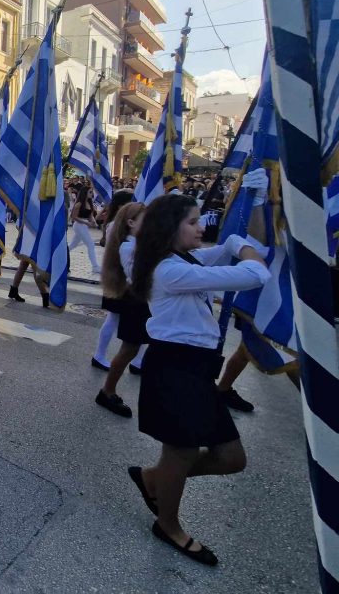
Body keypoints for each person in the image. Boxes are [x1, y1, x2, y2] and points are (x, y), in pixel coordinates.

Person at [127, 191, 269, 567]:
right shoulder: (169, 269)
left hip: (195, 369)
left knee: (231, 457)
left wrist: (244, 224)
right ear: (170, 229)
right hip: (175, 368)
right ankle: (168, 524)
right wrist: (241, 246)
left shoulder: (182, 258)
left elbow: (230, 252)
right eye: (192, 222)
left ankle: (155, 477)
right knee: (183, 451)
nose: (201, 227)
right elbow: (255, 274)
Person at [94, 202, 146, 417]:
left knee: (134, 346)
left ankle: (134, 367)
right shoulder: (128, 245)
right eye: (146, 219)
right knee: (129, 348)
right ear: (131, 222)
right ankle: (107, 390)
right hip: (134, 298)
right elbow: (137, 274)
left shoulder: (135, 241)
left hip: (139, 298)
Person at [92, 190, 140, 370]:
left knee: (118, 319)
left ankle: (136, 360)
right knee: (113, 319)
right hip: (119, 277)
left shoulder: (115, 224)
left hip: (119, 275)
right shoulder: (115, 225)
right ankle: (100, 354)